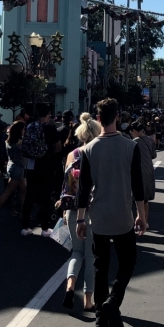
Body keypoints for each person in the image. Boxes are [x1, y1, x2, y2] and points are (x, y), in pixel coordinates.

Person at [75, 99, 147, 327]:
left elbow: (83, 188)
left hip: (99, 215)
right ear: (117, 117)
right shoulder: (130, 146)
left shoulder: (88, 149)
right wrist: (142, 214)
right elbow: (138, 184)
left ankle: (100, 316)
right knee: (128, 261)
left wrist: (80, 219)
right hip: (123, 213)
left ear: (98, 119)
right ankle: (112, 301)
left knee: (100, 265)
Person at [60, 113, 99, 311]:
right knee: (91, 255)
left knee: (76, 252)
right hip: (91, 209)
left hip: (71, 208)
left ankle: (69, 286)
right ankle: (87, 299)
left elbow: (65, 183)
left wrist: (63, 209)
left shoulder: (72, 154)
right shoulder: (97, 153)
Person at [21, 104, 52, 236]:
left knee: (29, 195)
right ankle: (44, 228)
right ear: (47, 114)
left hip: (31, 164)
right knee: (45, 196)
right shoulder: (47, 128)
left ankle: (25, 226)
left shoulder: (30, 126)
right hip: (44, 164)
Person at [0, 121, 28, 223]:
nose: (25, 131)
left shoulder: (9, 141)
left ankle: (24, 214)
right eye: (23, 129)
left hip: (13, 166)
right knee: (8, 192)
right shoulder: (20, 143)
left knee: (23, 191)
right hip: (19, 168)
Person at [131, 118, 157, 208]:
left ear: (134, 131)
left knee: (138, 198)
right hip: (149, 168)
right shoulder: (150, 140)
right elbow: (154, 155)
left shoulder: (134, 143)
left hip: (139, 170)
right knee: (145, 200)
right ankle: (145, 220)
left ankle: (140, 219)